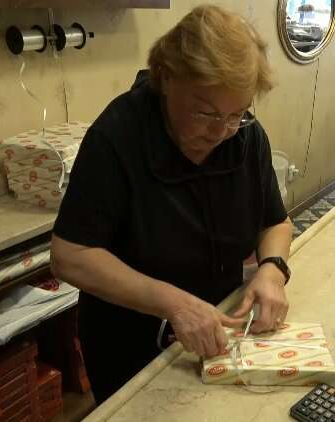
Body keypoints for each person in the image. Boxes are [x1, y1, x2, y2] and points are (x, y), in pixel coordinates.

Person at [50, 5, 293, 404]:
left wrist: (272, 270)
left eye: (236, 114)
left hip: (219, 331)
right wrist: (174, 304)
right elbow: (69, 255)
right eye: (205, 113)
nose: (221, 131)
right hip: (132, 345)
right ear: (165, 78)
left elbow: (276, 222)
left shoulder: (246, 138)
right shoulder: (116, 137)